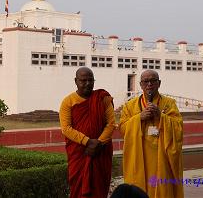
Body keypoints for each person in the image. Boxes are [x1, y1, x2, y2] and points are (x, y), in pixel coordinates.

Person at [119, 70, 183, 198]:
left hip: (162, 156)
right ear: (141, 84)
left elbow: (178, 128)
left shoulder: (169, 104)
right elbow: (122, 128)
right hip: (139, 155)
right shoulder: (130, 106)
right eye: (145, 81)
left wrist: (161, 116)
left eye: (153, 81)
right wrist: (139, 118)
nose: (149, 84)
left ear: (159, 83)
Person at [59, 67, 116, 198]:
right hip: (80, 151)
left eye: (90, 80)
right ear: (76, 81)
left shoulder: (103, 98)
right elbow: (66, 128)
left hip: (101, 151)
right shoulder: (68, 102)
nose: (87, 84)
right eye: (83, 80)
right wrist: (88, 142)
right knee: (78, 188)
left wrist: (99, 143)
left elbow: (111, 124)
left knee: (100, 187)